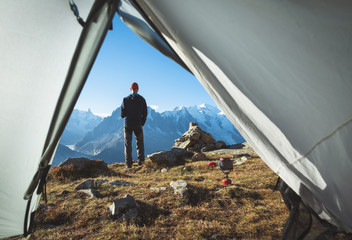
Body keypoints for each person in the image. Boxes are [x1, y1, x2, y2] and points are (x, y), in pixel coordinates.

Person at [121, 82, 148, 168]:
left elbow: (122, 115)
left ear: (130, 89)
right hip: (138, 124)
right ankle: (141, 162)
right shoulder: (142, 99)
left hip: (128, 124)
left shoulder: (125, 99)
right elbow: (145, 113)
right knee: (140, 143)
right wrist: (142, 123)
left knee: (127, 144)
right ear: (138, 89)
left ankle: (128, 164)